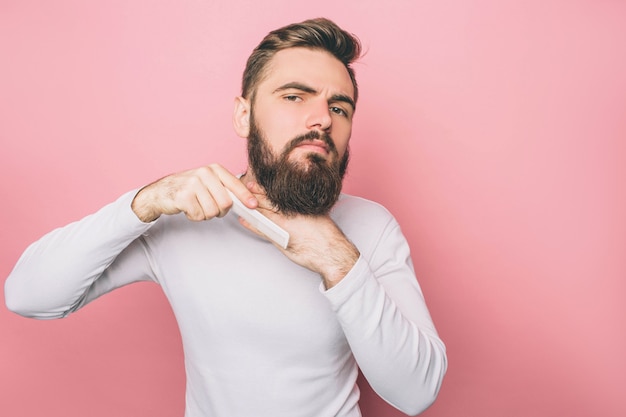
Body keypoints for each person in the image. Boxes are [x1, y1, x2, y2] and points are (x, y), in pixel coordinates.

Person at [5, 17, 447, 417]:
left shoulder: (371, 227)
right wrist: (143, 202)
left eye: (339, 107)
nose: (321, 120)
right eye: (294, 96)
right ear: (243, 115)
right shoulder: (183, 219)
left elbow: (417, 392)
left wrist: (338, 260)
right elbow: (28, 296)